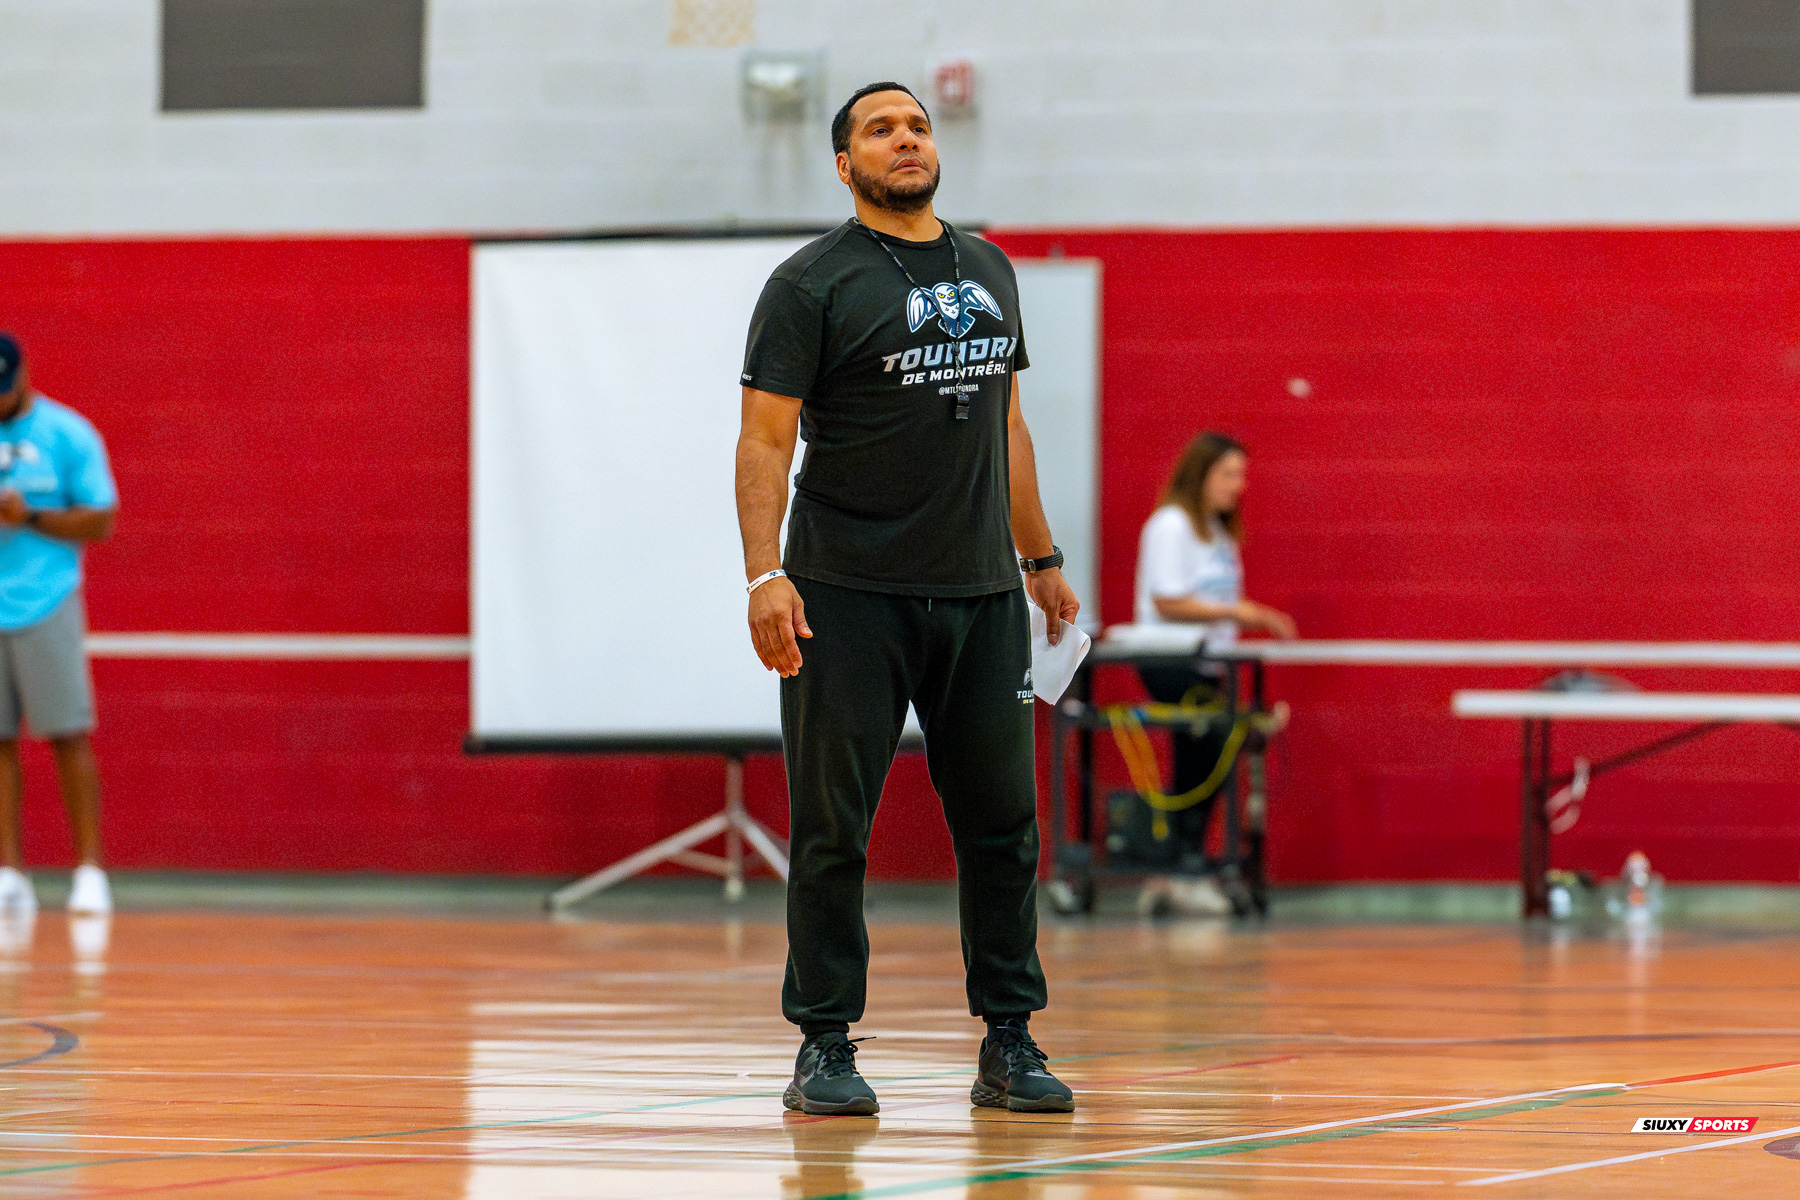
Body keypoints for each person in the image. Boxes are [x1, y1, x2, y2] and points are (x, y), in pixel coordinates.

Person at [736, 82, 1080, 1116]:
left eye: (917, 125)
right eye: (881, 130)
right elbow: (764, 441)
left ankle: (1010, 1042)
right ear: (845, 165)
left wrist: (1040, 557)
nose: (906, 139)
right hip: (845, 596)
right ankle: (826, 1046)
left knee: (1003, 827)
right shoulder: (810, 285)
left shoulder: (988, 268)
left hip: (977, 595)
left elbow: (1007, 430)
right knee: (833, 828)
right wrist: (765, 575)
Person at [1132, 431, 1294, 916]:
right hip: (1168, 660)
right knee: (1211, 745)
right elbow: (1168, 600)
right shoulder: (1171, 526)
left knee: (1203, 760)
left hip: (1207, 664)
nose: (1238, 485)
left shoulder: (1219, 535)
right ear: (1200, 474)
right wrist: (1248, 614)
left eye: (1241, 474)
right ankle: (1182, 865)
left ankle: (1173, 869)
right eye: (1228, 473)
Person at [0, 334, 119, 918]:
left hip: (46, 600)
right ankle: (9, 872)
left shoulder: (67, 434)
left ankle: (89, 870)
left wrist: (32, 517)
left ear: (23, 376)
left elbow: (100, 520)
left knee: (67, 733)